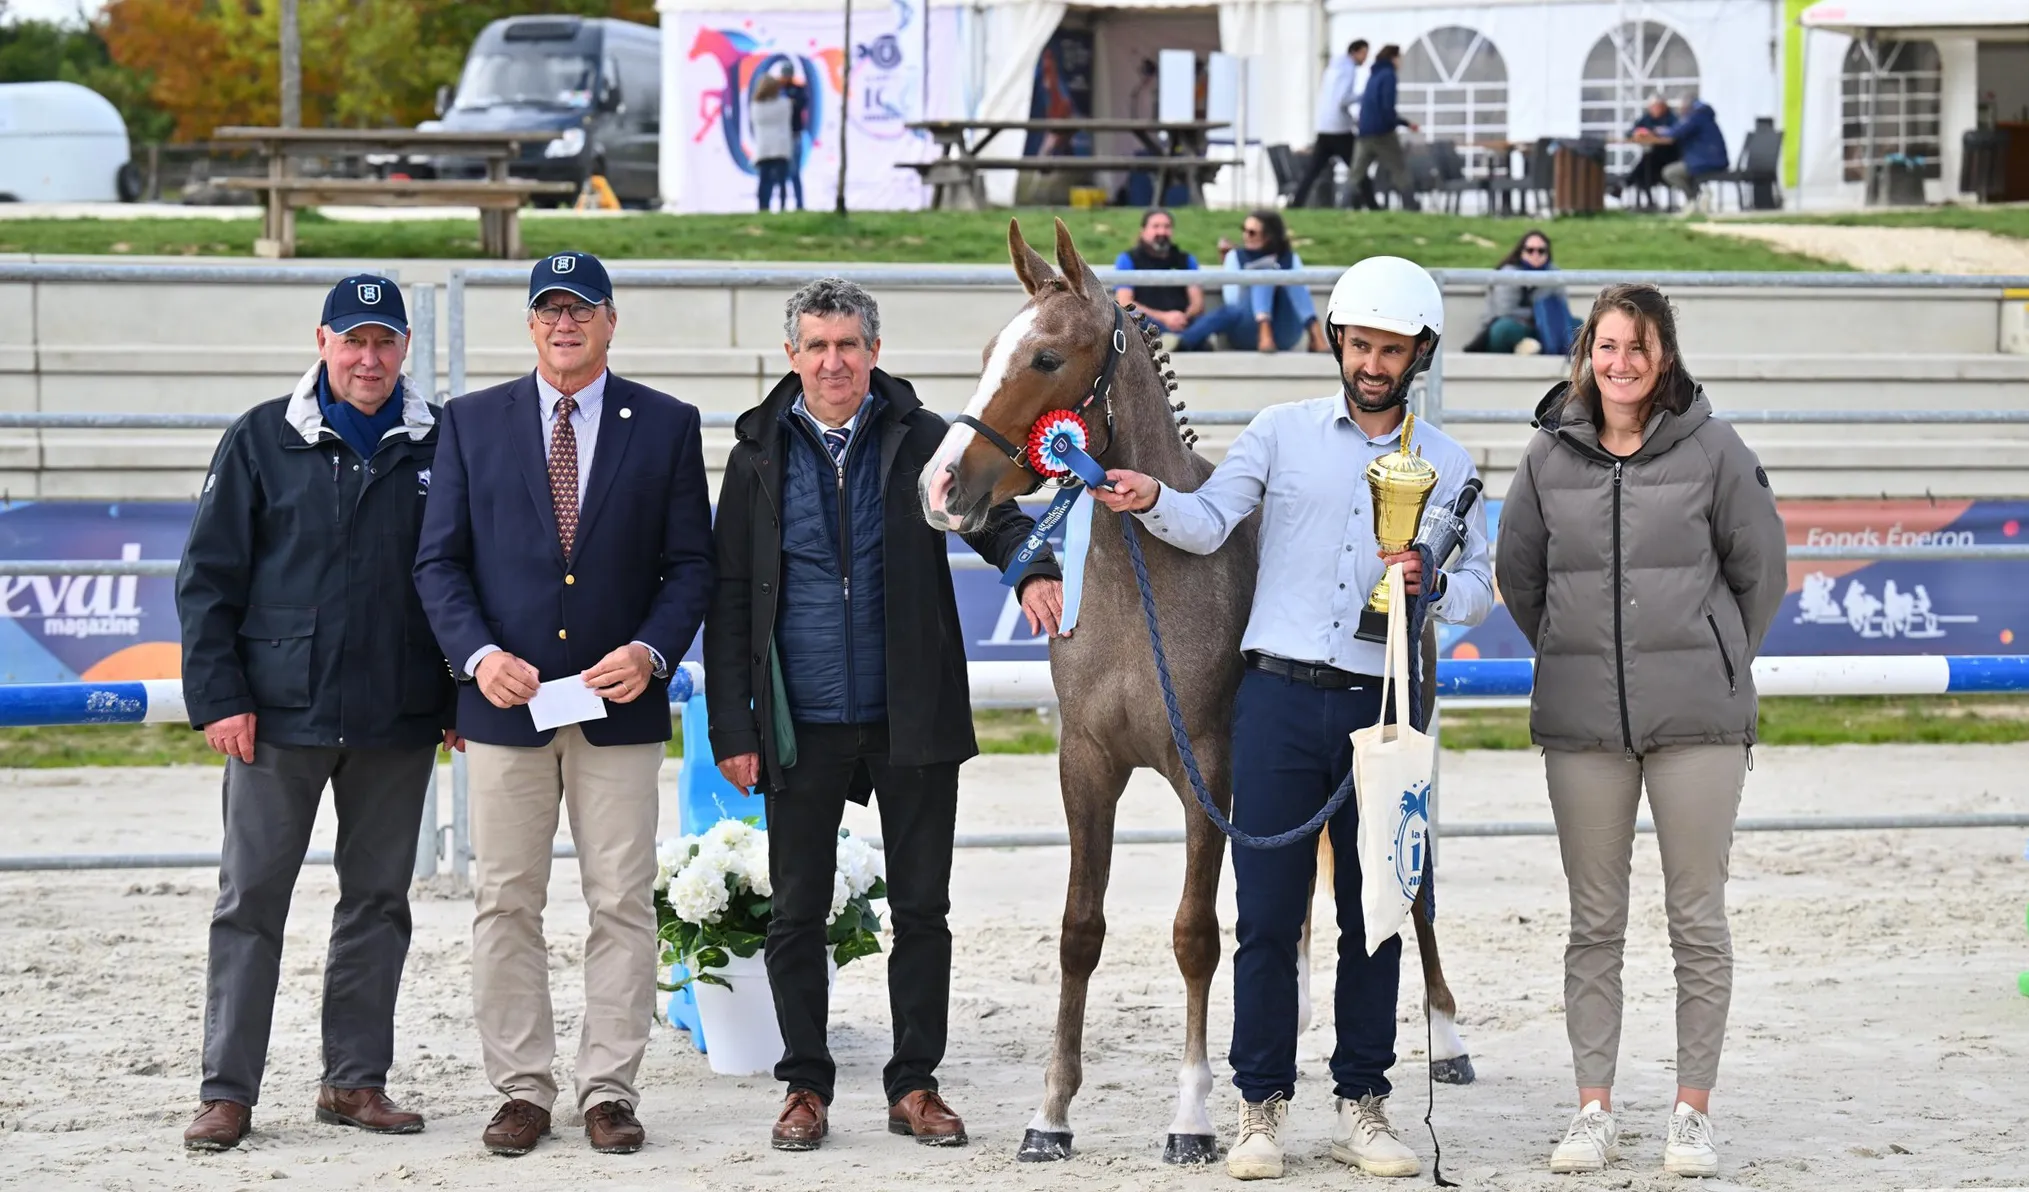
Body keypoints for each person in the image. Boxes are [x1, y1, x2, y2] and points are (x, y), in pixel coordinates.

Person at [1092, 257, 1494, 1181]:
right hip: (1272, 700)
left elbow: (1479, 588)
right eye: (1358, 343)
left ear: (1418, 354)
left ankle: (1364, 1101)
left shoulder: (1450, 463)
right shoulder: (1277, 434)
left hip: (1382, 704)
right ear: (1336, 343)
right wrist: (1154, 500)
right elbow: (1208, 522)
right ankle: (1259, 1106)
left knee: (1374, 919)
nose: (1370, 362)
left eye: (1389, 348)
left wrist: (1434, 583)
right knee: (1265, 918)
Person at [704, 278, 1064, 1152]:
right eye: (817, 346)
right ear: (792, 355)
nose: (834, 361)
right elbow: (726, 598)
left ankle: (913, 1085)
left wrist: (1031, 564)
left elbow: (990, 514)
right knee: (794, 912)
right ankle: (805, 1085)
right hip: (803, 720)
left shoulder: (924, 438)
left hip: (909, 713)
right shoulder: (755, 452)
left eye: (849, 345)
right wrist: (733, 728)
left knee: (923, 910)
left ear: (874, 352)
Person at [413, 251, 714, 1158]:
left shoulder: (664, 425)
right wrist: (476, 656)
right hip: (505, 705)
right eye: (548, 310)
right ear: (530, 324)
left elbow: (691, 565)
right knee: (505, 901)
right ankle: (522, 1090)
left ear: (611, 321)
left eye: (580, 310)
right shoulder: (468, 423)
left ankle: (609, 1090)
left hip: (616, 705)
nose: (564, 324)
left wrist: (652, 650)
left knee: (621, 901)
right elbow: (439, 563)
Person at [1493, 283, 1786, 1179]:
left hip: (1697, 722)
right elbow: (1520, 576)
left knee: (1696, 921)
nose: (1619, 363)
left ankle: (1689, 1113)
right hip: (1583, 726)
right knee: (1594, 923)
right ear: (1586, 353)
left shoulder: (1716, 451)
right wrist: (1574, 653)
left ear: (1664, 358)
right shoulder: (1546, 458)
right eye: (1605, 346)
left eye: (1637, 347)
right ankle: (1593, 1108)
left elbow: (1759, 576)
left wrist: (1714, 658)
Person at [175, 275, 455, 1152]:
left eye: (385, 341)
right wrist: (220, 697)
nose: (368, 358)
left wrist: (451, 696)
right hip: (277, 717)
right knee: (251, 902)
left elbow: (461, 577)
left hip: (397, 717)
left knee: (378, 902)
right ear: (323, 341)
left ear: (405, 348)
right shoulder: (261, 437)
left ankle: (354, 1083)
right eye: (353, 340)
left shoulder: (443, 444)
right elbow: (208, 579)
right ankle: (227, 1092)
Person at [1176, 211, 1329, 354]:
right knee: (1264, 276)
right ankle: (1265, 331)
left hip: (1284, 331)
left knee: (1287, 277)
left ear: (1268, 236)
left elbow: (1302, 294)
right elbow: (1233, 300)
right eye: (1244, 230)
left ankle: (1315, 333)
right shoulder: (1235, 256)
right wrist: (1257, 286)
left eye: (1251, 232)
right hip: (1247, 330)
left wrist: (1278, 285)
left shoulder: (1289, 258)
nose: (1245, 236)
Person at [1464, 229, 1573, 356]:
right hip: (1514, 325)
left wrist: (1546, 316)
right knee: (1503, 329)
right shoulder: (1509, 273)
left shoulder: (1554, 274)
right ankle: (1527, 345)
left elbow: (1561, 306)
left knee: (1578, 326)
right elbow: (1505, 311)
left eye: (1541, 251)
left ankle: (1534, 346)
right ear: (1521, 252)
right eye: (1530, 250)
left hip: (1545, 326)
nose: (1535, 255)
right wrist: (1540, 312)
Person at [1290, 40, 1368, 208]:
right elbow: (1342, 99)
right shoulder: (1348, 70)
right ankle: (1373, 205)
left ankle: (1296, 204)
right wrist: (1363, 96)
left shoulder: (1332, 68)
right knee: (1358, 167)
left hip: (1325, 126)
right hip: (1339, 129)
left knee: (1312, 172)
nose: (1365, 59)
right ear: (1355, 52)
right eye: (1364, 54)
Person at [1349, 44, 1419, 211]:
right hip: (1382, 133)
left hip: (1364, 131)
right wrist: (1399, 123)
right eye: (1399, 58)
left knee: (1356, 174)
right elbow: (1387, 107)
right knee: (1400, 170)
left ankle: (1345, 206)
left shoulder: (1373, 75)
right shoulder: (1389, 76)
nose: (1400, 62)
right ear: (1393, 58)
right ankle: (1411, 207)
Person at [1113, 209, 1203, 333]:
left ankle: (1179, 340)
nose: (1162, 232)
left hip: (1184, 323)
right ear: (1143, 231)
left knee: (1224, 314)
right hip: (1148, 325)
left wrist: (1181, 318)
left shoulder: (1186, 259)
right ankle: (1183, 340)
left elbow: (1197, 304)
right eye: (1156, 226)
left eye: (1167, 227)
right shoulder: (1127, 259)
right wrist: (1164, 318)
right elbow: (1125, 302)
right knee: (1132, 315)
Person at [1652, 92, 1729, 207]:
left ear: (1686, 106)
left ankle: (1694, 198)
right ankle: (1698, 197)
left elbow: (1676, 132)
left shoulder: (1695, 117)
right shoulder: (1704, 116)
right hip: (1714, 159)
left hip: (1705, 161)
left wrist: (1661, 131)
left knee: (1669, 173)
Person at [1619, 95, 1681, 206]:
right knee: (1645, 166)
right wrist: (1637, 132)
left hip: (1669, 155)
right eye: (1652, 107)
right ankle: (1649, 202)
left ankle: (1625, 183)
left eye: (1656, 107)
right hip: (1653, 154)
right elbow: (1631, 131)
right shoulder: (1647, 117)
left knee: (1645, 164)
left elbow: (1675, 134)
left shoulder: (1672, 118)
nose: (1654, 110)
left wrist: (1656, 132)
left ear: (1663, 106)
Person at [751, 72, 796, 212]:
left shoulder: (755, 107)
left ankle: (763, 207)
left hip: (763, 148)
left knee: (764, 181)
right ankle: (782, 207)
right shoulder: (784, 104)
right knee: (782, 180)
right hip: (780, 147)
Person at [776, 63, 809, 210]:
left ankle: (799, 204)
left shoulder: (798, 90)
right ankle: (782, 205)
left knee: (795, 172)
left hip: (794, 135)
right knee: (782, 173)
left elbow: (801, 104)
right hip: (781, 136)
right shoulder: (777, 91)